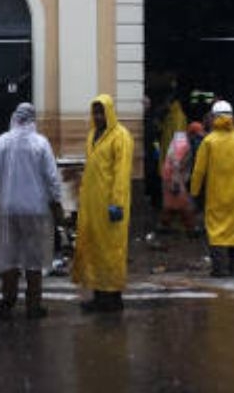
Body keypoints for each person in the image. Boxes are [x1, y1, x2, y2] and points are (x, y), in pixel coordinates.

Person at [0, 102, 64, 320]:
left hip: (8, 210)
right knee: (33, 260)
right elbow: (52, 178)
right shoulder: (41, 144)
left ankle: (7, 304)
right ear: (33, 119)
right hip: (35, 211)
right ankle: (33, 306)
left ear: (14, 118)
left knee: (9, 259)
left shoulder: (1, 142)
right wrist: (56, 203)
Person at [71, 95, 133, 313]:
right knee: (96, 251)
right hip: (92, 206)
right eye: (95, 112)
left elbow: (121, 173)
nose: (97, 116)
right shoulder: (92, 135)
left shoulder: (120, 137)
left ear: (109, 112)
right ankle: (99, 296)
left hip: (111, 207)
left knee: (111, 252)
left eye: (101, 112)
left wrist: (117, 203)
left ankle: (113, 298)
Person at [189, 100, 234, 277]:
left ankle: (219, 270)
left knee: (216, 233)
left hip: (215, 196)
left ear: (213, 117)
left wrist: (194, 192)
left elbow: (199, 170)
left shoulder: (209, 142)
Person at [159, 131, 197, 235]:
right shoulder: (184, 145)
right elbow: (175, 163)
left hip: (168, 175)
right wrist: (175, 183)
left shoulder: (180, 139)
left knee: (169, 204)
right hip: (173, 178)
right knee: (185, 204)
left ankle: (164, 226)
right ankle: (191, 228)